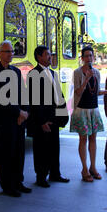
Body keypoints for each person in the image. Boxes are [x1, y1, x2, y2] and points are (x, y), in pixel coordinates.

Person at [70, 46, 107, 182]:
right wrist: (86, 79)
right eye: (86, 56)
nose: (89, 58)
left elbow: (96, 92)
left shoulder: (96, 73)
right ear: (82, 58)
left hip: (93, 109)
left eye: (91, 56)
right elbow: (77, 92)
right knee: (83, 139)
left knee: (93, 139)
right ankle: (84, 169)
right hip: (81, 109)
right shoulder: (77, 73)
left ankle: (93, 167)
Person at [0, 40, 30, 197]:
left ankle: (18, 182)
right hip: (5, 121)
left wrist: (25, 112)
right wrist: (18, 112)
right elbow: (0, 100)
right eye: (7, 51)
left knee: (19, 153)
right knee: (6, 154)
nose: (11, 54)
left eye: (12, 51)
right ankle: (7, 186)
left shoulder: (16, 72)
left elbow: (23, 94)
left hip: (19, 120)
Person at [27, 46, 70, 188]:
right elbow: (34, 101)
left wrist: (63, 115)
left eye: (50, 54)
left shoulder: (52, 73)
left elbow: (59, 95)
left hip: (54, 118)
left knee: (54, 147)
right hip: (42, 120)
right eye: (47, 55)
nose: (50, 57)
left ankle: (55, 174)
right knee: (41, 150)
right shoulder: (33, 74)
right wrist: (41, 121)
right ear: (39, 57)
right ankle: (41, 177)